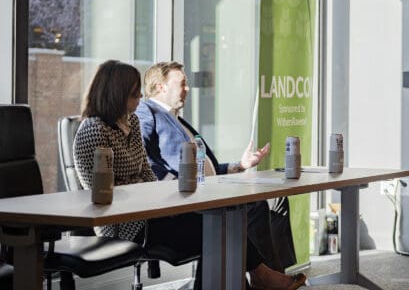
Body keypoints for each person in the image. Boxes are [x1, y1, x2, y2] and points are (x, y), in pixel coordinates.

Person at [73, 60, 306, 290]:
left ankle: (259, 277)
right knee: (217, 228)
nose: (139, 98)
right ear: (116, 94)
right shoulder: (95, 129)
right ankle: (261, 277)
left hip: (154, 211)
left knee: (224, 222)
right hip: (125, 224)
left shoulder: (130, 121)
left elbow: (145, 172)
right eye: (134, 93)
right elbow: (103, 190)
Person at [135, 61, 290, 273]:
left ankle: (275, 273)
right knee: (255, 207)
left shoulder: (179, 121)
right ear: (161, 87)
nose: (187, 89)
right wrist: (174, 183)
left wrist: (240, 165)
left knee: (277, 200)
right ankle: (268, 277)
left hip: (211, 188)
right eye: (182, 83)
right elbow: (140, 154)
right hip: (188, 197)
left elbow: (210, 168)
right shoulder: (147, 111)